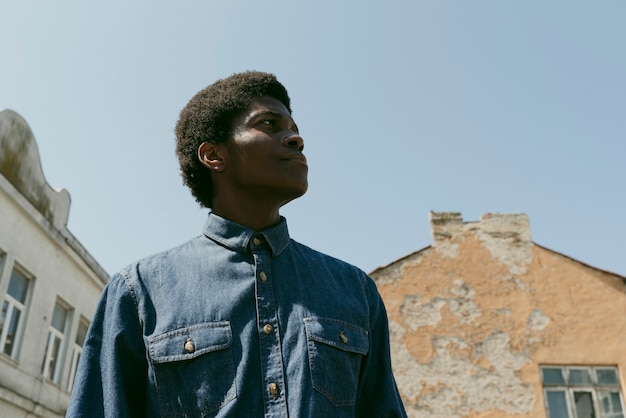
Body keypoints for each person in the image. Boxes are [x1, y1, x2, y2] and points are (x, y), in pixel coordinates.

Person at [67, 71, 407, 418]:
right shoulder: (138, 292)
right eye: (270, 124)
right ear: (214, 156)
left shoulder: (356, 291)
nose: (296, 139)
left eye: (295, 128)